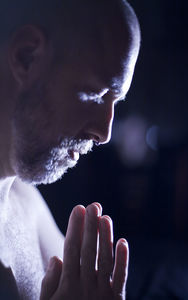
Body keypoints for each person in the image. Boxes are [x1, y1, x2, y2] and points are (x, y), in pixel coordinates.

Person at [0, 0, 140, 299]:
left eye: (116, 103)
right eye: (96, 94)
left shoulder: (25, 203)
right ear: (27, 57)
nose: (104, 134)